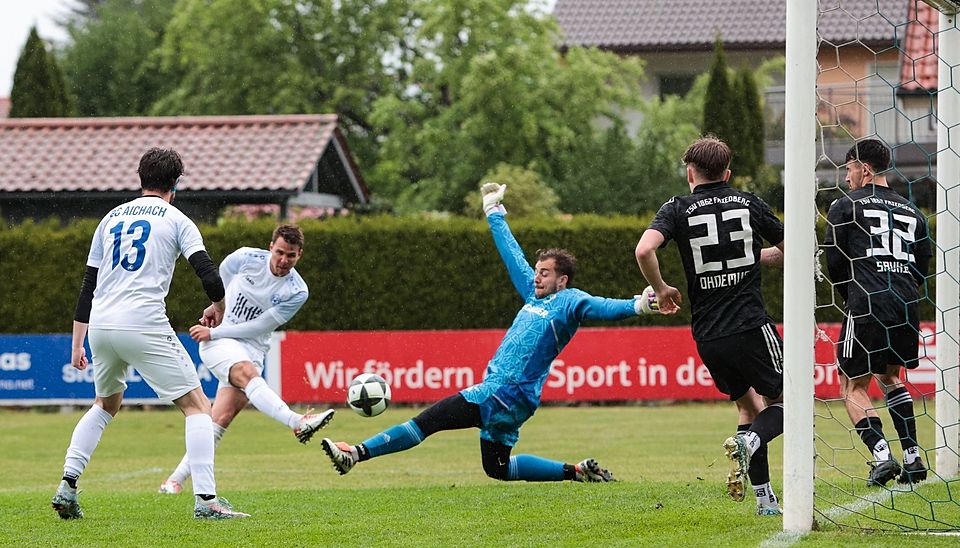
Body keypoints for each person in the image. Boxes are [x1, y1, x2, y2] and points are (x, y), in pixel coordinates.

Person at [319, 182, 660, 482]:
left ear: (563, 280)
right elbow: (512, 255)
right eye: (537, 271)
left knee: (427, 422)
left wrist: (639, 305)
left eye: (544, 273)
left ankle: (356, 454)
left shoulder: (570, 301)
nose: (537, 276)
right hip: (516, 399)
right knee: (498, 468)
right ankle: (577, 471)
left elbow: (602, 306)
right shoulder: (534, 295)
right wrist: (493, 211)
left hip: (502, 391)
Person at [51, 147, 249, 520]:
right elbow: (208, 274)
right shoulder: (177, 219)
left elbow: (87, 286)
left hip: (101, 326)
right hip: (142, 322)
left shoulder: (110, 218)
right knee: (198, 407)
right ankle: (207, 502)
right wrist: (219, 307)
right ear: (175, 184)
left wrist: (77, 344)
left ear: (141, 179)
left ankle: (67, 485)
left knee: (105, 404)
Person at [635, 136, 786, 516]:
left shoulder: (676, 208)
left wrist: (661, 289)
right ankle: (750, 443)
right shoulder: (749, 203)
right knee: (788, 403)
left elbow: (644, 249)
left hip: (708, 334)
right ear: (727, 173)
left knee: (748, 408)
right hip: (751, 325)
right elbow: (792, 249)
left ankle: (765, 500)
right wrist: (751, 257)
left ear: (691, 174)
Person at [158, 225, 335, 494]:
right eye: (279, 252)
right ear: (270, 247)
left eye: (291, 255)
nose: (283, 260)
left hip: (249, 346)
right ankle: (297, 422)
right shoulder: (245, 258)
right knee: (248, 374)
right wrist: (216, 310)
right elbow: (222, 278)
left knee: (221, 417)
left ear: (299, 255)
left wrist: (215, 330)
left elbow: (259, 327)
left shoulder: (297, 291)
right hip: (218, 342)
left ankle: (173, 481)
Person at [823, 139, 931, 487]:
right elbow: (922, 264)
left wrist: (853, 297)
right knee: (890, 376)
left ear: (865, 169)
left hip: (867, 301)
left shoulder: (845, 205)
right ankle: (913, 457)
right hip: (905, 303)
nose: (847, 177)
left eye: (849, 169)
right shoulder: (912, 211)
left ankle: (882, 456)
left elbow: (835, 261)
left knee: (851, 384)